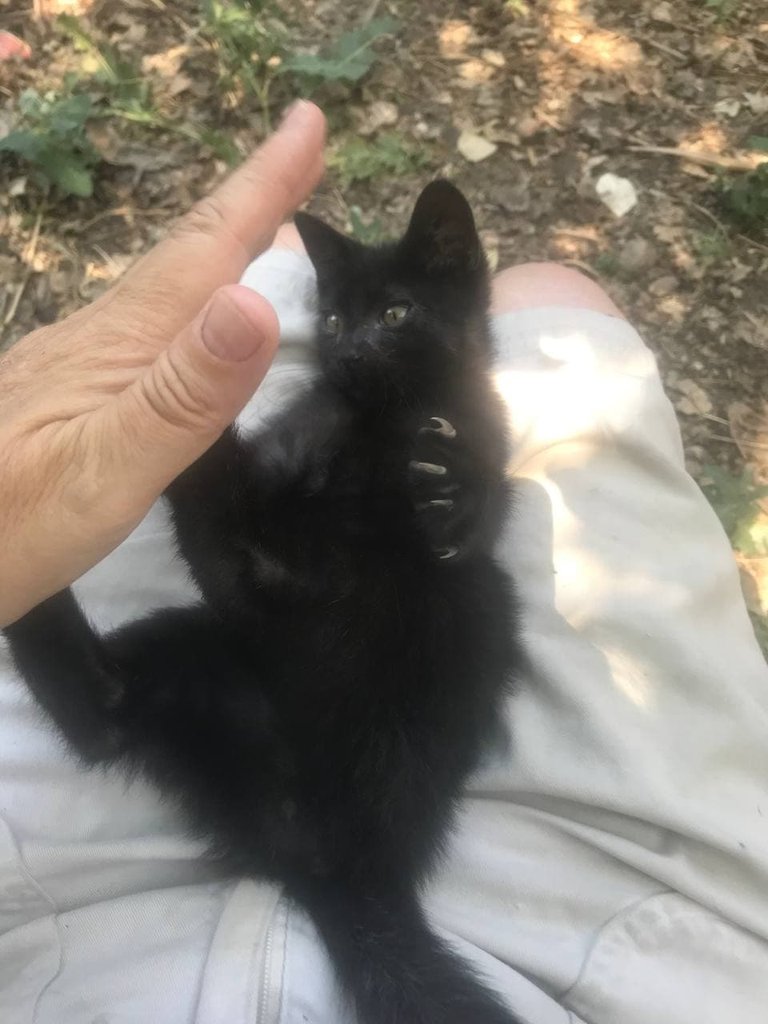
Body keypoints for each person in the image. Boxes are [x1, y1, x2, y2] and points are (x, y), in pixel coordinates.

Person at [0, 101, 766, 1024]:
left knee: (453, 585)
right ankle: (76, 617)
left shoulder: (456, 397)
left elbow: (442, 529)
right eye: (338, 312)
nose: (351, 335)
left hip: (363, 747)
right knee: (548, 302)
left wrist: (463, 503)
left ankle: (61, 587)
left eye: (390, 311)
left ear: (455, 287)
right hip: (284, 721)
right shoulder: (352, 401)